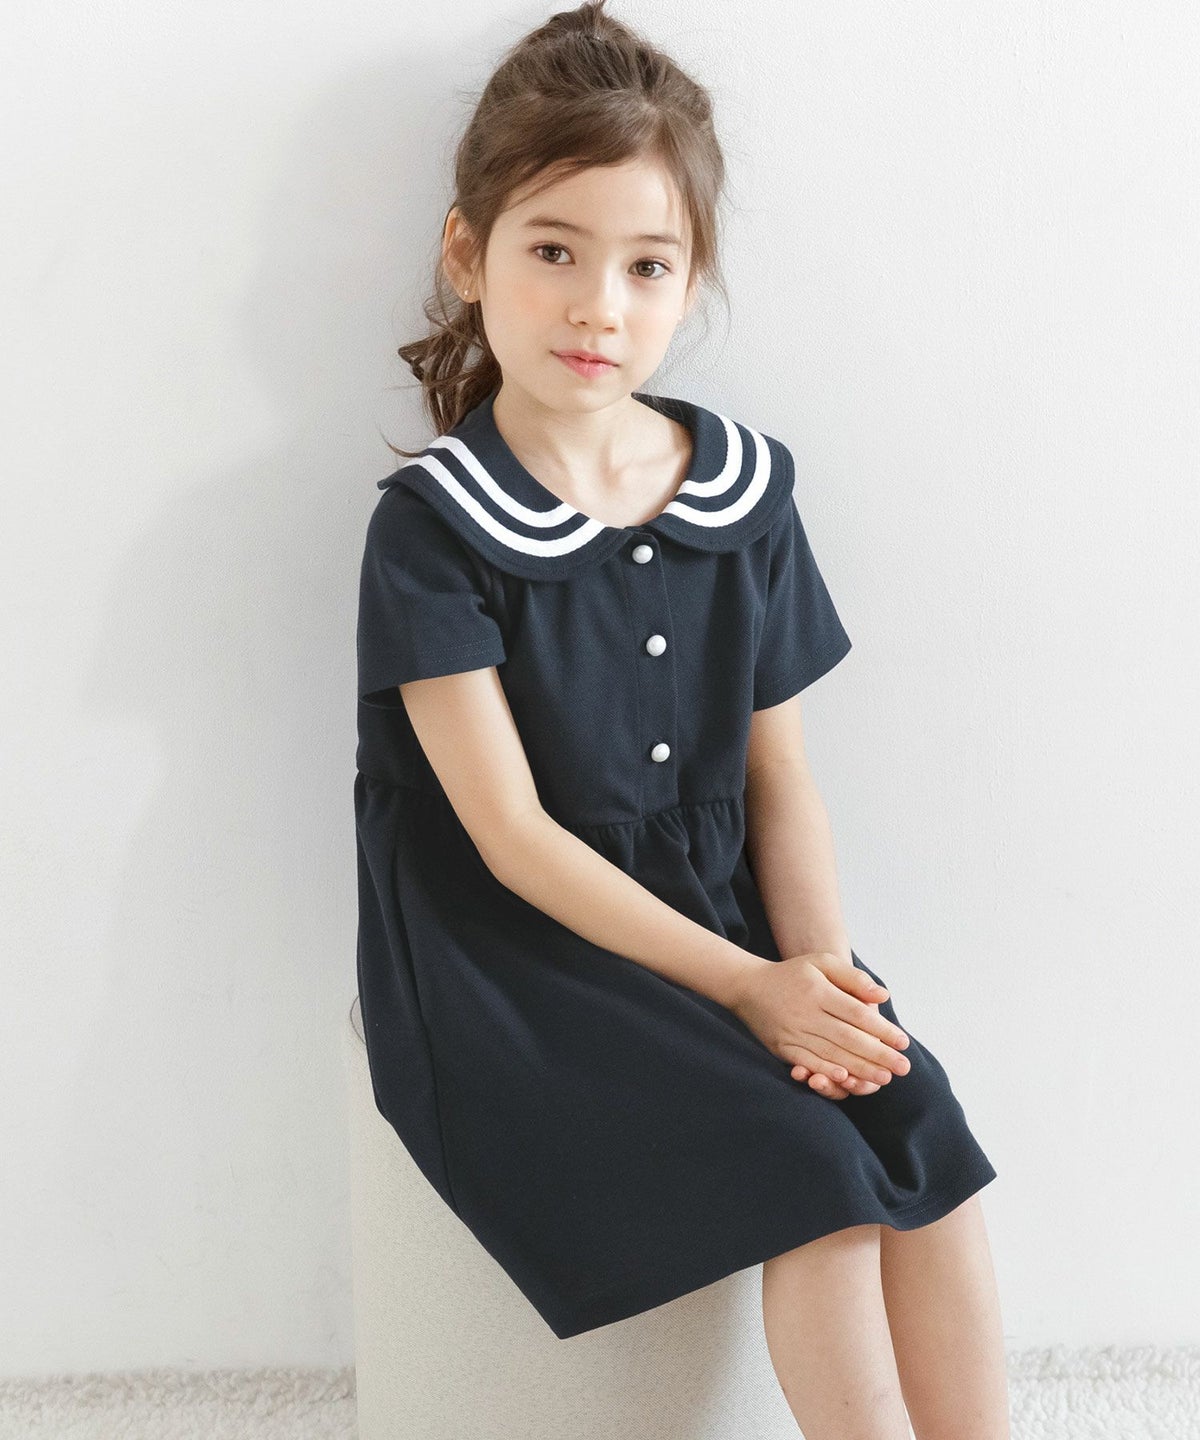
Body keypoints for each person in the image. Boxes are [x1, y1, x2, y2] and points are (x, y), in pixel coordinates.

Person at [354, 2, 1009, 1434]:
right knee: (818, 1183)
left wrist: (820, 975)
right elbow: (510, 839)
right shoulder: (435, 529)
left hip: (729, 912)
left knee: (925, 1143)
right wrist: (748, 991)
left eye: (647, 265)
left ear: (691, 278)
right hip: (519, 949)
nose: (599, 306)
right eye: (553, 252)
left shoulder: (745, 491)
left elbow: (780, 776)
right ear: (468, 255)